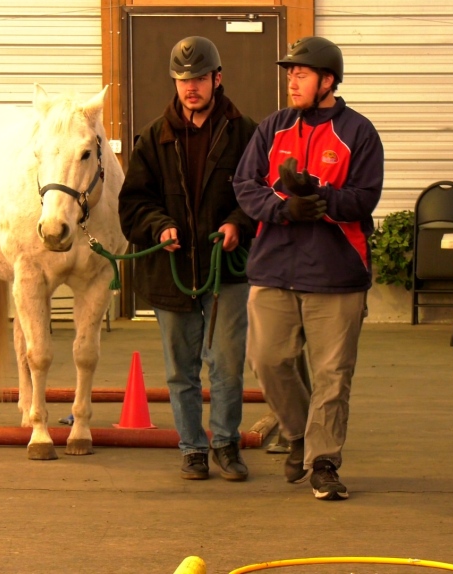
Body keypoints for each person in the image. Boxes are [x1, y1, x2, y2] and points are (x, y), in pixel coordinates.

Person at [233, 36, 384, 501]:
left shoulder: (359, 132)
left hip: (336, 274)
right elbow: (245, 184)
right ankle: (297, 432)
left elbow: (364, 197)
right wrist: (284, 208)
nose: (292, 81)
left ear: (328, 80)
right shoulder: (272, 128)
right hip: (274, 268)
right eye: (290, 74)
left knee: (332, 375)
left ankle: (323, 462)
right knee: (267, 359)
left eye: (301, 73)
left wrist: (316, 197)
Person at [119, 36, 258, 481]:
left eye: (198, 78)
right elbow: (134, 203)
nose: (190, 87)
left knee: (228, 365)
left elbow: (258, 193)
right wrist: (160, 225)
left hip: (226, 274)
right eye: (182, 80)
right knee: (181, 370)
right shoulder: (151, 139)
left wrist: (237, 222)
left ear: (217, 78)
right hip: (172, 273)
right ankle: (192, 448)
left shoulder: (245, 133)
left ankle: (225, 444)